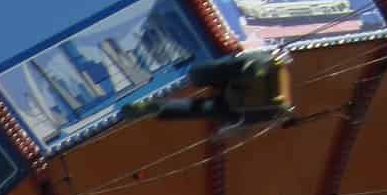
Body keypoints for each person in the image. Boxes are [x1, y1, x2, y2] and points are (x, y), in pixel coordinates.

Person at [125, 48, 292, 127]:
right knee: (197, 107)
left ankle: (156, 107)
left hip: (237, 91)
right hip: (236, 97)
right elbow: (243, 121)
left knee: (200, 82)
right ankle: (156, 108)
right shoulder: (272, 107)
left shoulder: (266, 65)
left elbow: (243, 120)